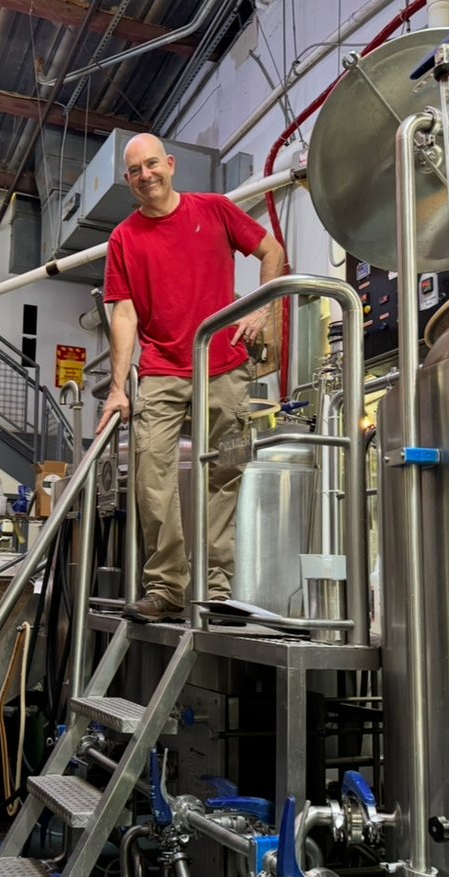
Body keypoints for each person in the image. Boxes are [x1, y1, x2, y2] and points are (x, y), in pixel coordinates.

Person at [97, 133, 285, 623]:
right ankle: (167, 588)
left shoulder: (216, 210)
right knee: (151, 476)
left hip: (224, 366)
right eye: (136, 170)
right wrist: (119, 387)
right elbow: (124, 313)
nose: (146, 175)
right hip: (161, 370)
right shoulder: (124, 238)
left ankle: (217, 588)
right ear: (128, 179)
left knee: (225, 473)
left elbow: (272, 251)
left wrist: (263, 309)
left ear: (172, 164)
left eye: (152, 164)